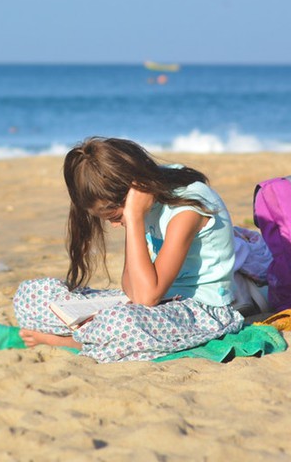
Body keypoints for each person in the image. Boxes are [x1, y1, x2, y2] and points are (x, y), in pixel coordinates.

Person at [13, 137, 245, 362]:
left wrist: (134, 218)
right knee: (32, 296)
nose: (115, 225)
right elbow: (131, 289)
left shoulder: (186, 210)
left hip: (202, 310)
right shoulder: (144, 201)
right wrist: (133, 219)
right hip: (155, 301)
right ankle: (93, 333)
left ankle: (73, 342)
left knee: (122, 324)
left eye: (115, 217)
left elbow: (146, 297)